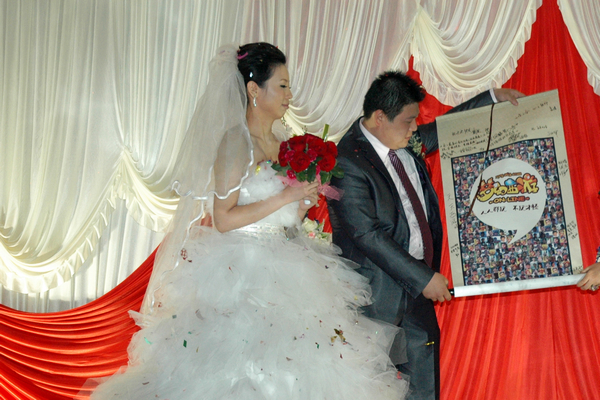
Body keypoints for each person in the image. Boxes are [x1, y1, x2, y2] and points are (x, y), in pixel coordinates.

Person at [82, 43, 409, 399]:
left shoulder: (284, 143)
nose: (289, 95)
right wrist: (284, 197)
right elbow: (223, 219)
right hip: (241, 270)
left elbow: (284, 219)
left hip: (288, 264)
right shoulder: (236, 142)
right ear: (254, 89)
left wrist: (301, 203)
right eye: (282, 85)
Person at [327, 71, 524, 400]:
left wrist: (492, 97)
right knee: (371, 389)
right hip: (375, 299)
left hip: (416, 292)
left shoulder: (402, 139)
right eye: (408, 121)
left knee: (424, 387)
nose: (414, 128)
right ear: (380, 117)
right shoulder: (346, 161)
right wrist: (423, 277)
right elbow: (367, 234)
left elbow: (446, 127)